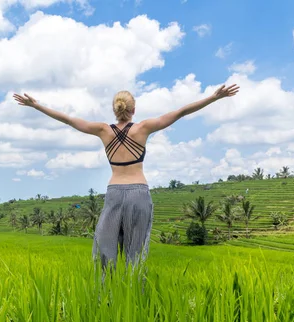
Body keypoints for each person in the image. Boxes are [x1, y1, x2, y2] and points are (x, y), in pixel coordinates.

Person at [13, 83, 240, 274]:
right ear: (133, 109)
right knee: (136, 251)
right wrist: (213, 97)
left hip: (114, 193)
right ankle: (133, 293)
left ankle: (106, 296)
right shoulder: (143, 128)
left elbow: (69, 120)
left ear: (115, 110)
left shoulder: (103, 130)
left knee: (105, 248)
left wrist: (36, 106)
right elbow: (180, 112)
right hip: (139, 193)